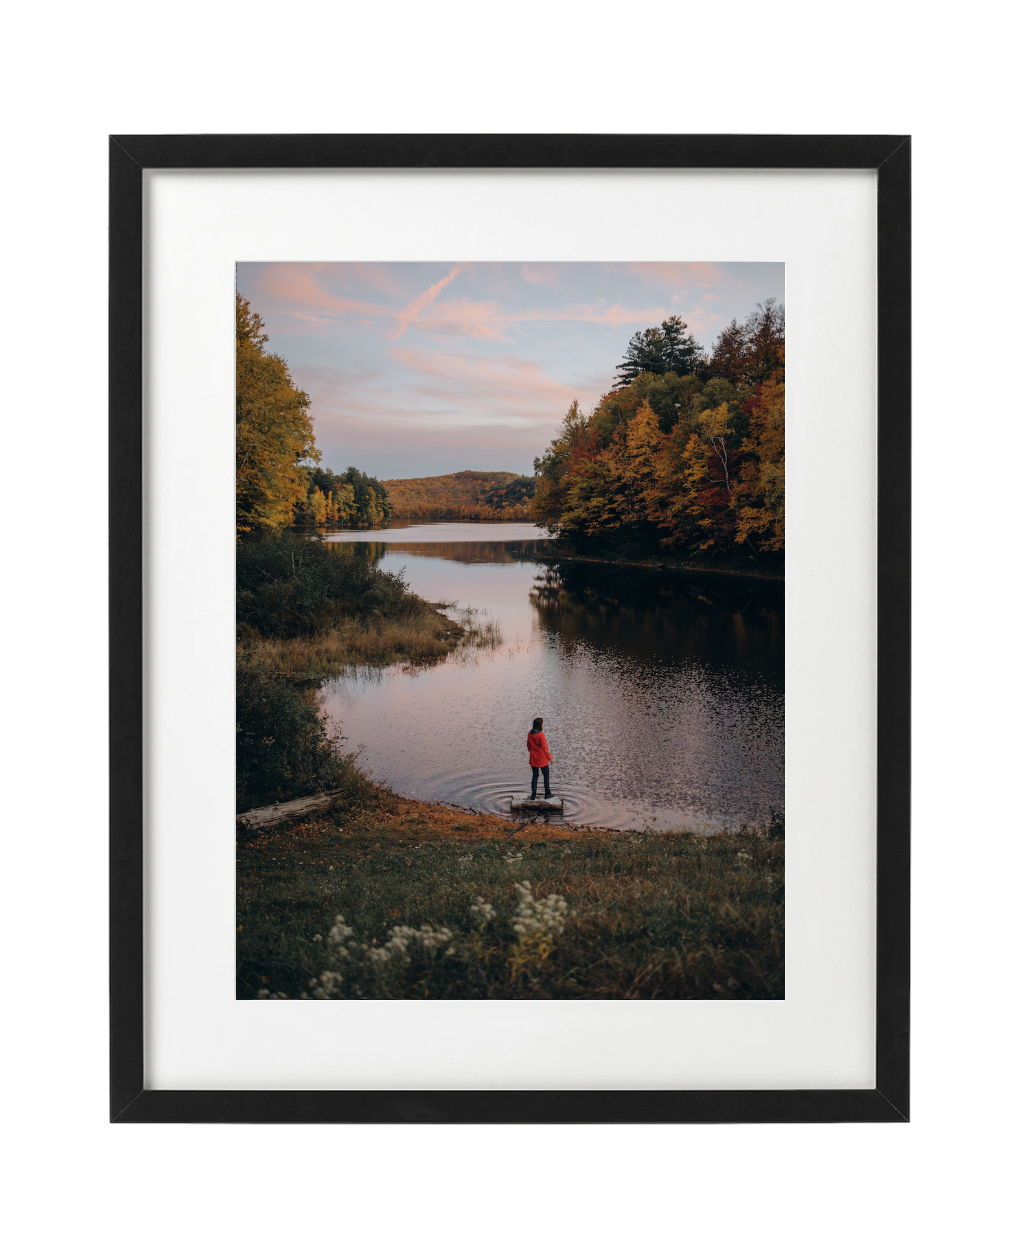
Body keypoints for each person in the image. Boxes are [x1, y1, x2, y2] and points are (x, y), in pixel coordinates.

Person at [527, 716, 554, 799]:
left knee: (535, 776)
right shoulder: (541, 735)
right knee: (546, 775)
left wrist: (532, 753)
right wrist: (550, 758)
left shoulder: (530, 733)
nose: (543, 725)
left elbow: (528, 745)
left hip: (533, 758)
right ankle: (547, 793)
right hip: (542, 758)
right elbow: (545, 748)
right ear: (540, 725)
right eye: (542, 724)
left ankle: (533, 794)